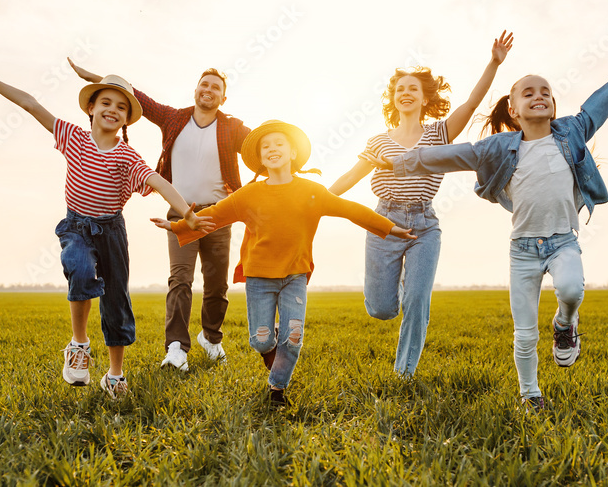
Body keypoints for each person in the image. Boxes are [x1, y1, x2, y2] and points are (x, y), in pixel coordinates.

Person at [373, 29, 608, 411]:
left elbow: (607, 97)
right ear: (513, 110)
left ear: (553, 105)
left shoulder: (573, 132)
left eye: (545, 91)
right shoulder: (498, 147)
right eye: (528, 93)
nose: (539, 96)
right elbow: (448, 154)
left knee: (572, 290)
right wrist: (400, 162)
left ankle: (565, 325)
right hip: (523, 251)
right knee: (524, 333)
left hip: (563, 241)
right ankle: (531, 396)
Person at [0, 55, 212, 398]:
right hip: (77, 227)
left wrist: (186, 212)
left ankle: (114, 376)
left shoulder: (127, 156)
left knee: (116, 301)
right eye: (106, 103)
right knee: (80, 270)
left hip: (112, 232)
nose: (112, 110)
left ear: (128, 118)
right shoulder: (72, 137)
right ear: (92, 109)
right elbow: (30, 103)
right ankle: (79, 345)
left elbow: (157, 181)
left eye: (121, 107)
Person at [153, 121, 416, 407]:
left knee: (293, 337)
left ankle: (276, 390)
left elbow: (351, 209)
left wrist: (389, 227)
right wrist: (178, 226)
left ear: (292, 153)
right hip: (259, 278)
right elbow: (214, 215)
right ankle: (272, 345)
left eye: (279, 144)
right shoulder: (249, 195)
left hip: (294, 276)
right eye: (266, 146)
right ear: (260, 158)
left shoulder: (311, 191)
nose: (272, 149)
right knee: (261, 341)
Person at [328, 31, 514, 376]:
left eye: (413, 88)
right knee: (382, 309)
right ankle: (398, 284)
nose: (406, 93)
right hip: (383, 222)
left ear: (425, 97)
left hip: (424, 225)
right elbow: (351, 177)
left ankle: (404, 373)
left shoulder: (438, 135)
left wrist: (493, 63)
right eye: (400, 89)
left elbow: (471, 104)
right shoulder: (379, 141)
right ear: (393, 99)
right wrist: (318, 199)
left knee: (416, 300)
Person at [70, 60, 251, 372]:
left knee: (217, 284)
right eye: (204, 84)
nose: (208, 90)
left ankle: (211, 337)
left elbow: (260, 146)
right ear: (196, 90)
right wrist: (95, 78)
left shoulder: (232, 128)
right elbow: (137, 96)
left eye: (216, 88)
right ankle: (176, 348)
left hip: (219, 215)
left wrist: (277, 165)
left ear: (223, 98)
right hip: (181, 214)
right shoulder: (173, 119)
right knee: (180, 279)